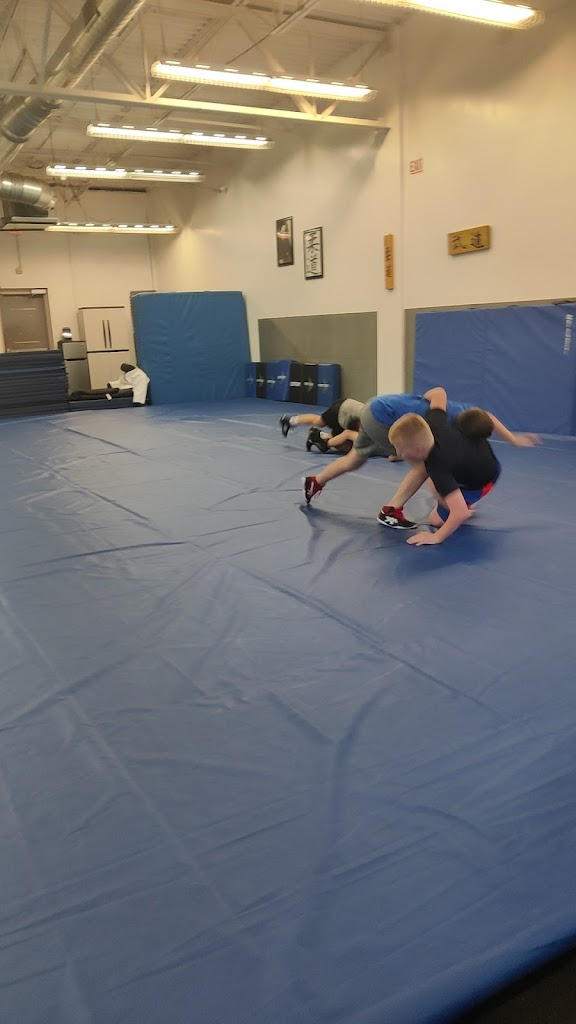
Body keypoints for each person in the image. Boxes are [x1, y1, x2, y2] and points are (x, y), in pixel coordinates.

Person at [302, 388, 539, 505]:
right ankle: (392, 510)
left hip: (376, 407)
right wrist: (449, 502)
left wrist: (513, 439)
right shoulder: (447, 420)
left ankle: (315, 481)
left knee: (355, 458)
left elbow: (486, 416)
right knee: (427, 465)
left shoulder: (465, 413)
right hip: (383, 417)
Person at [376, 389, 510, 544]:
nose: (398, 453)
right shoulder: (435, 423)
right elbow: (439, 392)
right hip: (478, 457)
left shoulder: (438, 466)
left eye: (400, 449)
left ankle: (464, 499)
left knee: (436, 520)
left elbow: (460, 513)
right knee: (437, 487)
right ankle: (455, 499)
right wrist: (421, 400)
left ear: (417, 449)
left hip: (483, 480)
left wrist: (436, 537)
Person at [280, 399, 363, 453]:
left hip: (348, 408)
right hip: (344, 411)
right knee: (319, 422)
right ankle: (290, 420)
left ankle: (318, 437)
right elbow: (349, 434)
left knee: (348, 446)